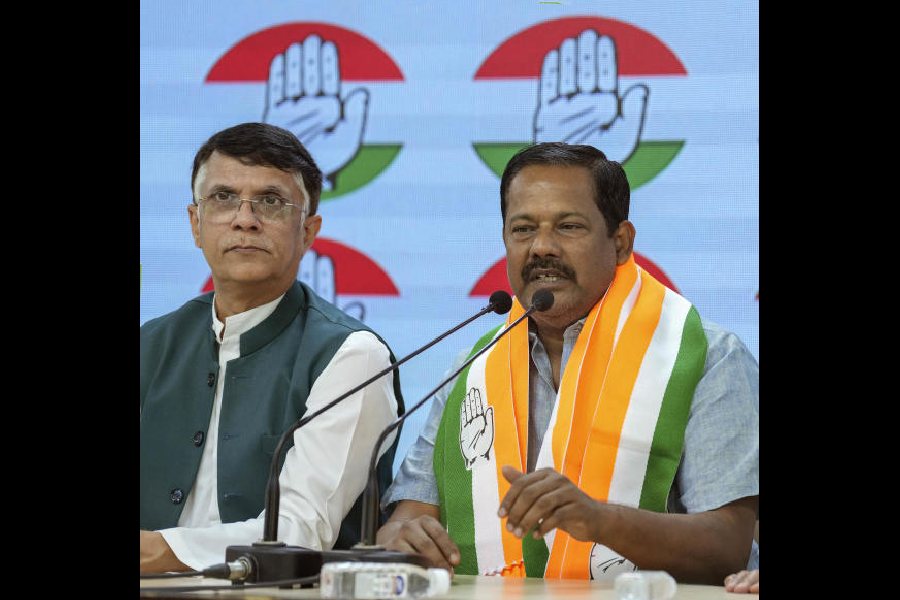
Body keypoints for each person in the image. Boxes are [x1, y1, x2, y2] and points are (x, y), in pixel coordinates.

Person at [377, 142, 758, 584]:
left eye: (568, 226)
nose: (541, 247)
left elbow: (727, 545)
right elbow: (407, 519)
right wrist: (402, 537)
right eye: (522, 230)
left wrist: (599, 521)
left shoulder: (705, 357)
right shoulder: (471, 371)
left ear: (620, 242)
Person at [140, 122, 403, 573]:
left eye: (271, 202)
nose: (245, 218)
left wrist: (157, 552)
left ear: (308, 231)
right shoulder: (151, 345)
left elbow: (297, 532)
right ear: (195, 224)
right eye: (223, 198)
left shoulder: (352, 356)